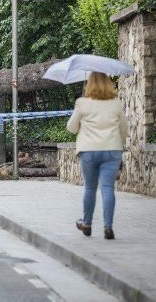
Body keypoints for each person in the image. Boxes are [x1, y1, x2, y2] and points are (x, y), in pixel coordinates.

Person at [66, 72, 129, 240]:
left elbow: (71, 128)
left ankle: (87, 223)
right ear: (108, 83)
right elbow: (124, 130)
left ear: (90, 84)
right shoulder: (116, 104)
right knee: (108, 188)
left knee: (90, 188)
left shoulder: (82, 103)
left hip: (89, 150)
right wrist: (119, 146)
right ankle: (108, 226)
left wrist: (82, 124)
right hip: (112, 150)